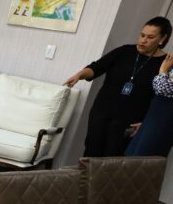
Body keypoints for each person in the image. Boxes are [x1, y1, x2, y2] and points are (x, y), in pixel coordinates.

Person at [64, 16, 171, 157]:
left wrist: (146, 123)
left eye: (150, 37)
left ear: (162, 39)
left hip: (130, 121)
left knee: (113, 158)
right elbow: (96, 67)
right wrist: (79, 75)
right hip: (102, 112)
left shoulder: (166, 64)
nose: (143, 40)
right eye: (142, 35)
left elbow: (163, 100)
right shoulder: (124, 51)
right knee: (91, 152)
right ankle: (85, 179)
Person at [126, 52, 173, 157]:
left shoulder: (168, 65)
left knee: (143, 165)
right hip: (153, 121)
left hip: (164, 125)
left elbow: (163, 87)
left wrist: (163, 69)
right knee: (132, 163)